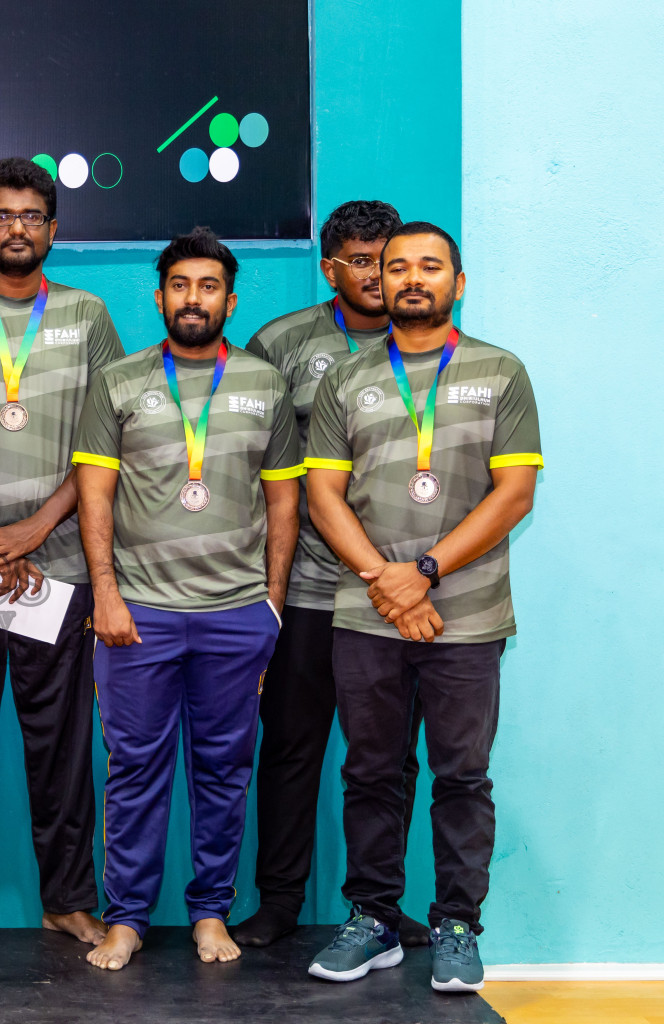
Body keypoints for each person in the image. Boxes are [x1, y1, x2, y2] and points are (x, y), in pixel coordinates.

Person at [303, 222, 540, 992]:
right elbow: (322, 495)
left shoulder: (501, 372)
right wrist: (387, 580)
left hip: (466, 615)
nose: (411, 278)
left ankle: (458, 926)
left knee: (462, 776)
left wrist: (427, 572)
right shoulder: (348, 380)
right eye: (396, 266)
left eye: (429, 267)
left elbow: (515, 494)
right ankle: (374, 920)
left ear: (457, 283)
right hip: (368, 611)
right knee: (372, 772)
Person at [72, 227, 302, 971]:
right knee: (135, 771)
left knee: (223, 772)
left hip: (236, 616)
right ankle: (127, 920)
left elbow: (284, 505)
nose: (193, 299)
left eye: (208, 287)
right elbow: (94, 496)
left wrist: (270, 608)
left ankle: (210, 913)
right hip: (139, 614)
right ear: (159, 296)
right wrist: (105, 594)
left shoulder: (265, 382)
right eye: (179, 285)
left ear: (230, 299)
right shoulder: (119, 382)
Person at [0, 157, 123, 950]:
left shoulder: (88, 316)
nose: (17, 228)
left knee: (62, 747)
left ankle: (68, 897)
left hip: (59, 568)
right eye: (1, 216)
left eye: (31, 215)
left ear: (52, 229)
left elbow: (105, 444)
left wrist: (36, 530)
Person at [232, 200, 430, 949]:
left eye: (389, 259)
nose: (378, 275)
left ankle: (379, 903)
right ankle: (280, 901)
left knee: (387, 757)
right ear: (330, 268)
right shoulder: (283, 343)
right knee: (290, 745)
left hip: (398, 593)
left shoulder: (430, 348)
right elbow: (245, 460)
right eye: (360, 260)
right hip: (313, 589)